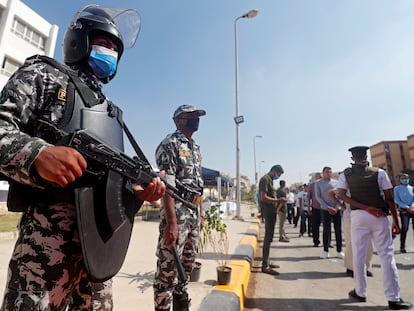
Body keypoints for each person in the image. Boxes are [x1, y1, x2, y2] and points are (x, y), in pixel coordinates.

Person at [0, 5, 166, 310]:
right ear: (79, 41)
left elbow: (110, 182)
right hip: (44, 250)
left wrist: (136, 193)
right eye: (105, 43)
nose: (111, 51)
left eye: (116, 48)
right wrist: (38, 154)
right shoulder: (45, 75)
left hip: (98, 252)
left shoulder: (112, 112)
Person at [337, 146, 412, 310]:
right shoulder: (379, 172)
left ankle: (360, 292)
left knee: (359, 255)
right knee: (387, 256)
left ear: (352, 159)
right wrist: (395, 221)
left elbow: (341, 195)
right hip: (380, 216)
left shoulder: (345, 174)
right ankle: (394, 298)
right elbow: (389, 198)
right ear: (366, 155)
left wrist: (364, 207)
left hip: (358, 217)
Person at [154, 104, 206, 311]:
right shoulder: (169, 144)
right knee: (168, 271)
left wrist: (200, 215)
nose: (196, 119)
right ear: (177, 120)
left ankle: (181, 306)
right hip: (177, 212)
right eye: (191, 116)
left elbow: (198, 185)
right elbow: (167, 185)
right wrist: (172, 223)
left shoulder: (195, 147)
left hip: (193, 213)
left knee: (186, 267)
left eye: (197, 116)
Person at [327, 189, 374, 277]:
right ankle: (351, 268)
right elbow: (330, 193)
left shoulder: (366, 186)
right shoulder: (346, 187)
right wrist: (341, 206)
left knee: (368, 243)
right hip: (350, 217)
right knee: (352, 243)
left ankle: (365, 267)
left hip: (365, 216)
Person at [259, 165, 286, 275]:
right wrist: (278, 200)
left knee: (270, 238)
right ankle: (265, 265)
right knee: (267, 237)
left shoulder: (270, 180)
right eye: (278, 174)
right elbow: (263, 197)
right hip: (269, 212)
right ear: (274, 171)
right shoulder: (264, 179)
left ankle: (267, 261)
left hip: (272, 211)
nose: (278, 177)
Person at [315, 167, 344, 259]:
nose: (329, 173)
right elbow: (318, 197)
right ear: (323, 173)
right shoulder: (318, 183)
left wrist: (336, 207)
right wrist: (328, 207)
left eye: (330, 172)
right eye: (327, 172)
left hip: (337, 209)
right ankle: (325, 250)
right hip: (325, 209)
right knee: (326, 230)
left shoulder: (336, 182)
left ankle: (339, 250)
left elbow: (340, 195)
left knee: (338, 230)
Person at [393, 173, 414, 253]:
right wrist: (407, 207)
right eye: (403, 178)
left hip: (413, 209)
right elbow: (397, 200)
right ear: (400, 179)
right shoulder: (397, 189)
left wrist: (412, 206)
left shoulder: (412, 188)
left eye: (406, 178)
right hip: (404, 211)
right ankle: (402, 246)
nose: (405, 180)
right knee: (405, 228)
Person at [307, 173, 322, 247]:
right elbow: (308, 198)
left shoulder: (326, 184)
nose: (320, 178)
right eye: (319, 176)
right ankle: (316, 241)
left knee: (327, 226)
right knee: (315, 226)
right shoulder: (312, 185)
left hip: (325, 208)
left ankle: (328, 242)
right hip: (315, 208)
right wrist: (308, 208)